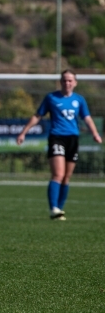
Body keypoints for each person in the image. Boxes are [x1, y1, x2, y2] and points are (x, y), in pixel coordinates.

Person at [16, 70, 102, 221]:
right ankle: (53, 208)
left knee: (66, 177)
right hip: (57, 137)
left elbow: (87, 118)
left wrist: (95, 133)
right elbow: (38, 115)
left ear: (75, 83)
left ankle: (59, 210)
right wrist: (24, 132)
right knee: (58, 174)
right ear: (60, 82)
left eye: (70, 80)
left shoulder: (79, 100)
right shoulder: (51, 98)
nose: (67, 83)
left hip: (73, 139)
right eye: (64, 80)